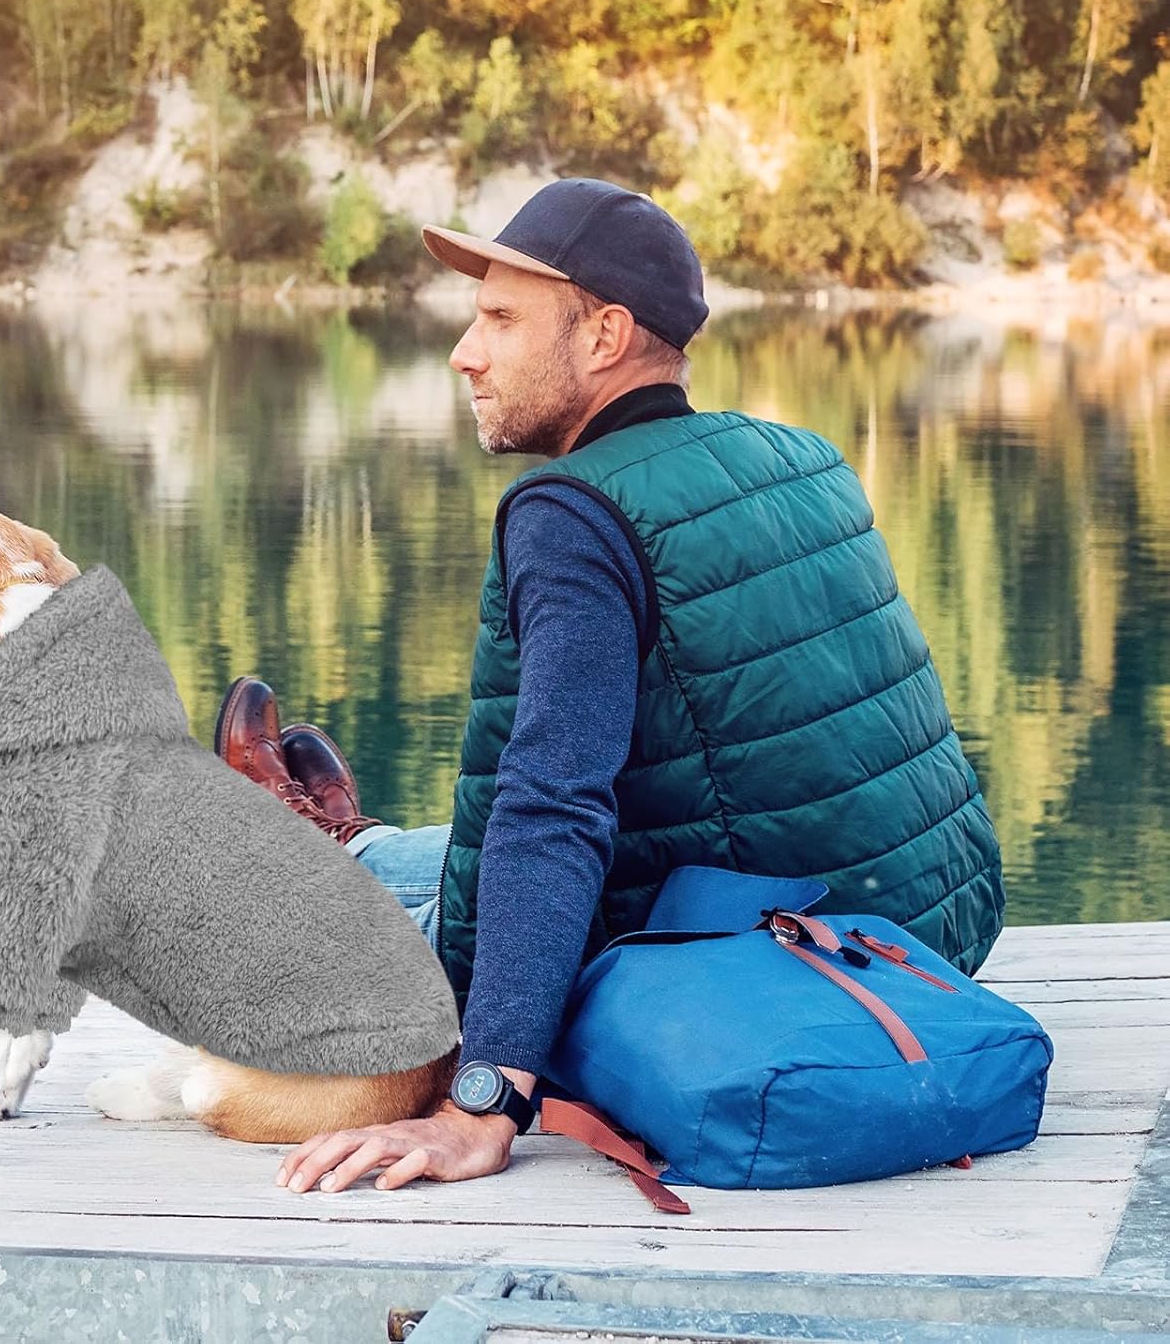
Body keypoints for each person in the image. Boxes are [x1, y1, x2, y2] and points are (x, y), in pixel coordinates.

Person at [214, 178, 1006, 1197]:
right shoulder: (801, 459)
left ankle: (310, 865)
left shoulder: (573, 514)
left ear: (604, 336)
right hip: (914, 936)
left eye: (501, 319)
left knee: (379, 906)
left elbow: (553, 808)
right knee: (451, 854)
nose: (465, 352)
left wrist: (482, 1103)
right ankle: (348, 843)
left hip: (746, 966)